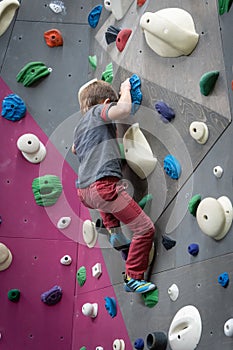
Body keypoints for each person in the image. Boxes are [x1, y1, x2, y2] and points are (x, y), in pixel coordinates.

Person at [72, 78, 156, 294]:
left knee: (105, 199)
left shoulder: (80, 128)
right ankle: (133, 277)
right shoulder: (99, 111)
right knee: (145, 229)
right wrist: (125, 90)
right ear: (105, 102)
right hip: (103, 186)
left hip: (85, 191)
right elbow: (124, 110)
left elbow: (74, 150)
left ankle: (114, 230)